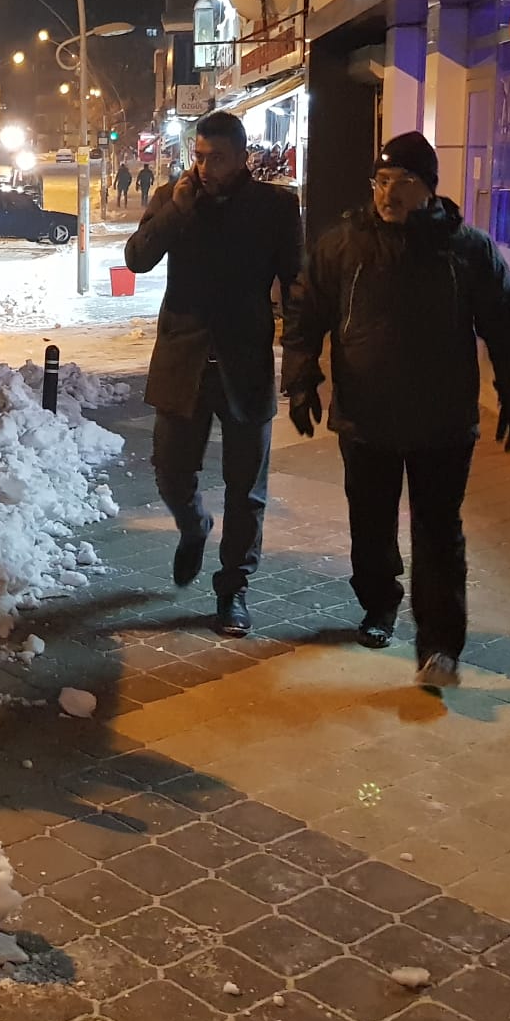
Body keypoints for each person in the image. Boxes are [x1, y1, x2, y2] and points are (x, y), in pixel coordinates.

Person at [281, 131, 510, 689]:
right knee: (370, 525)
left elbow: (505, 322)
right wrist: (300, 381)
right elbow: (305, 313)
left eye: (404, 182)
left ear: (429, 188)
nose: (389, 193)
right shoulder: (342, 245)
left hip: (443, 421)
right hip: (366, 416)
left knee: (439, 532)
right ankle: (379, 601)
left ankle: (439, 644)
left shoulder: (466, 250)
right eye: (382, 180)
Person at [125, 112, 303, 634]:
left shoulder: (275, 207)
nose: (204, 167)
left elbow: (297, 285)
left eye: (216, 158)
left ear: (242, 157)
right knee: (170, 471)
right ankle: (194, 525)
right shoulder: (172, 198)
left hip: (245, 364)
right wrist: (176, 212)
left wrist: (299, 361)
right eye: (199, 156)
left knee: (246, 490)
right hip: (183, 362)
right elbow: (136, 259)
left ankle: (233, 589)